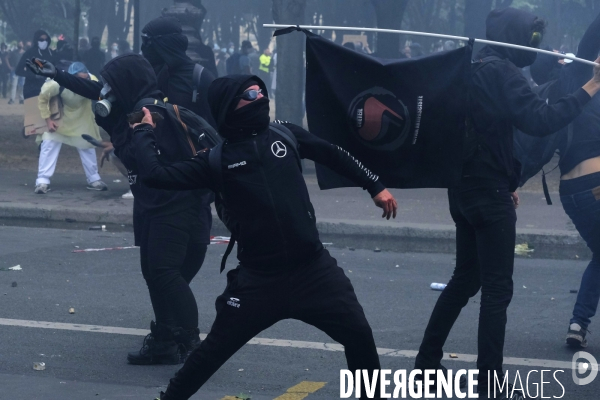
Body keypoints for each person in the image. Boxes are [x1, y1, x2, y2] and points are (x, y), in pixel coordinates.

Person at [131, 74, 397, 400]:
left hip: (314, 272)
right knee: (211, 353)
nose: (260, 97)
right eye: (249, 94)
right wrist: (144, 131)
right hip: (259, 282)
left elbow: (332, 153)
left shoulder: (285, 134)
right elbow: (155, 175)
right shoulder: (215, 160)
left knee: (359, 337)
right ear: (230, 107)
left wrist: (374, 185)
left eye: (260, 91)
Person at [414, 7, 600, 399]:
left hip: (463, 190)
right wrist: (590, 88)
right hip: (488, 196)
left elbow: (488, 134)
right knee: (497, 291)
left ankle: (426, 362)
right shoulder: (503, 73)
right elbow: (541, 121)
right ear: (514, 39)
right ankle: (488, 381)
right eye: (529, 39)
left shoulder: (468, 69)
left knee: (465, 279)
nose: (533, 47)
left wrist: (508, 177)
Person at [27, 53, 212, 364]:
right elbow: (96, 90)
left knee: (165, 275)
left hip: (174, 209)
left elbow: (153, 164)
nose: (107, 91)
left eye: (113, 84)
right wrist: (58, 74)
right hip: (155, 207)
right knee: (155, 276)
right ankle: (165, 340)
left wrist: (139, 132)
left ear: (128, 84)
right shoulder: (132, 107)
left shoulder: (152, 115)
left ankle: (193, 345)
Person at [529, 12, 600, 349]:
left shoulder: (555, 93)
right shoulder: (577, 76)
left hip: (571, 193)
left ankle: (578, 323)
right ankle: (579, 321)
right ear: (560, 62)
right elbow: (593, 34)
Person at [34, 62, 107, 194]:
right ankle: (42, 181)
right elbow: (42, 99)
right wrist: (48, 120)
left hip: (83, 117)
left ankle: (93, 178)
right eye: (81, 79)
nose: (84, 82)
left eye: (86, 79)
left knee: (87, 145)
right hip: (61, 118)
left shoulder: (93, 80)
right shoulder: (55, 83)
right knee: (49, 144)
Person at [141, 16, 217, 128]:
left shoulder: (201, 78)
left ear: (165, 44)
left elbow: (216, 127)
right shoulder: (147, 76)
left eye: (148, 42)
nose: (144, 47)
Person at [16, 30, 56, 100]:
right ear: (36, 40)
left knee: (48, 111)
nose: (44, 41)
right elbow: (18, 70)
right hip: (32, 90)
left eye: (46, 39)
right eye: (41, 39)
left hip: (49, 91)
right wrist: (33, 75)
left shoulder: (52, 54)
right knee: (33, 111)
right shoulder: (29, 53)